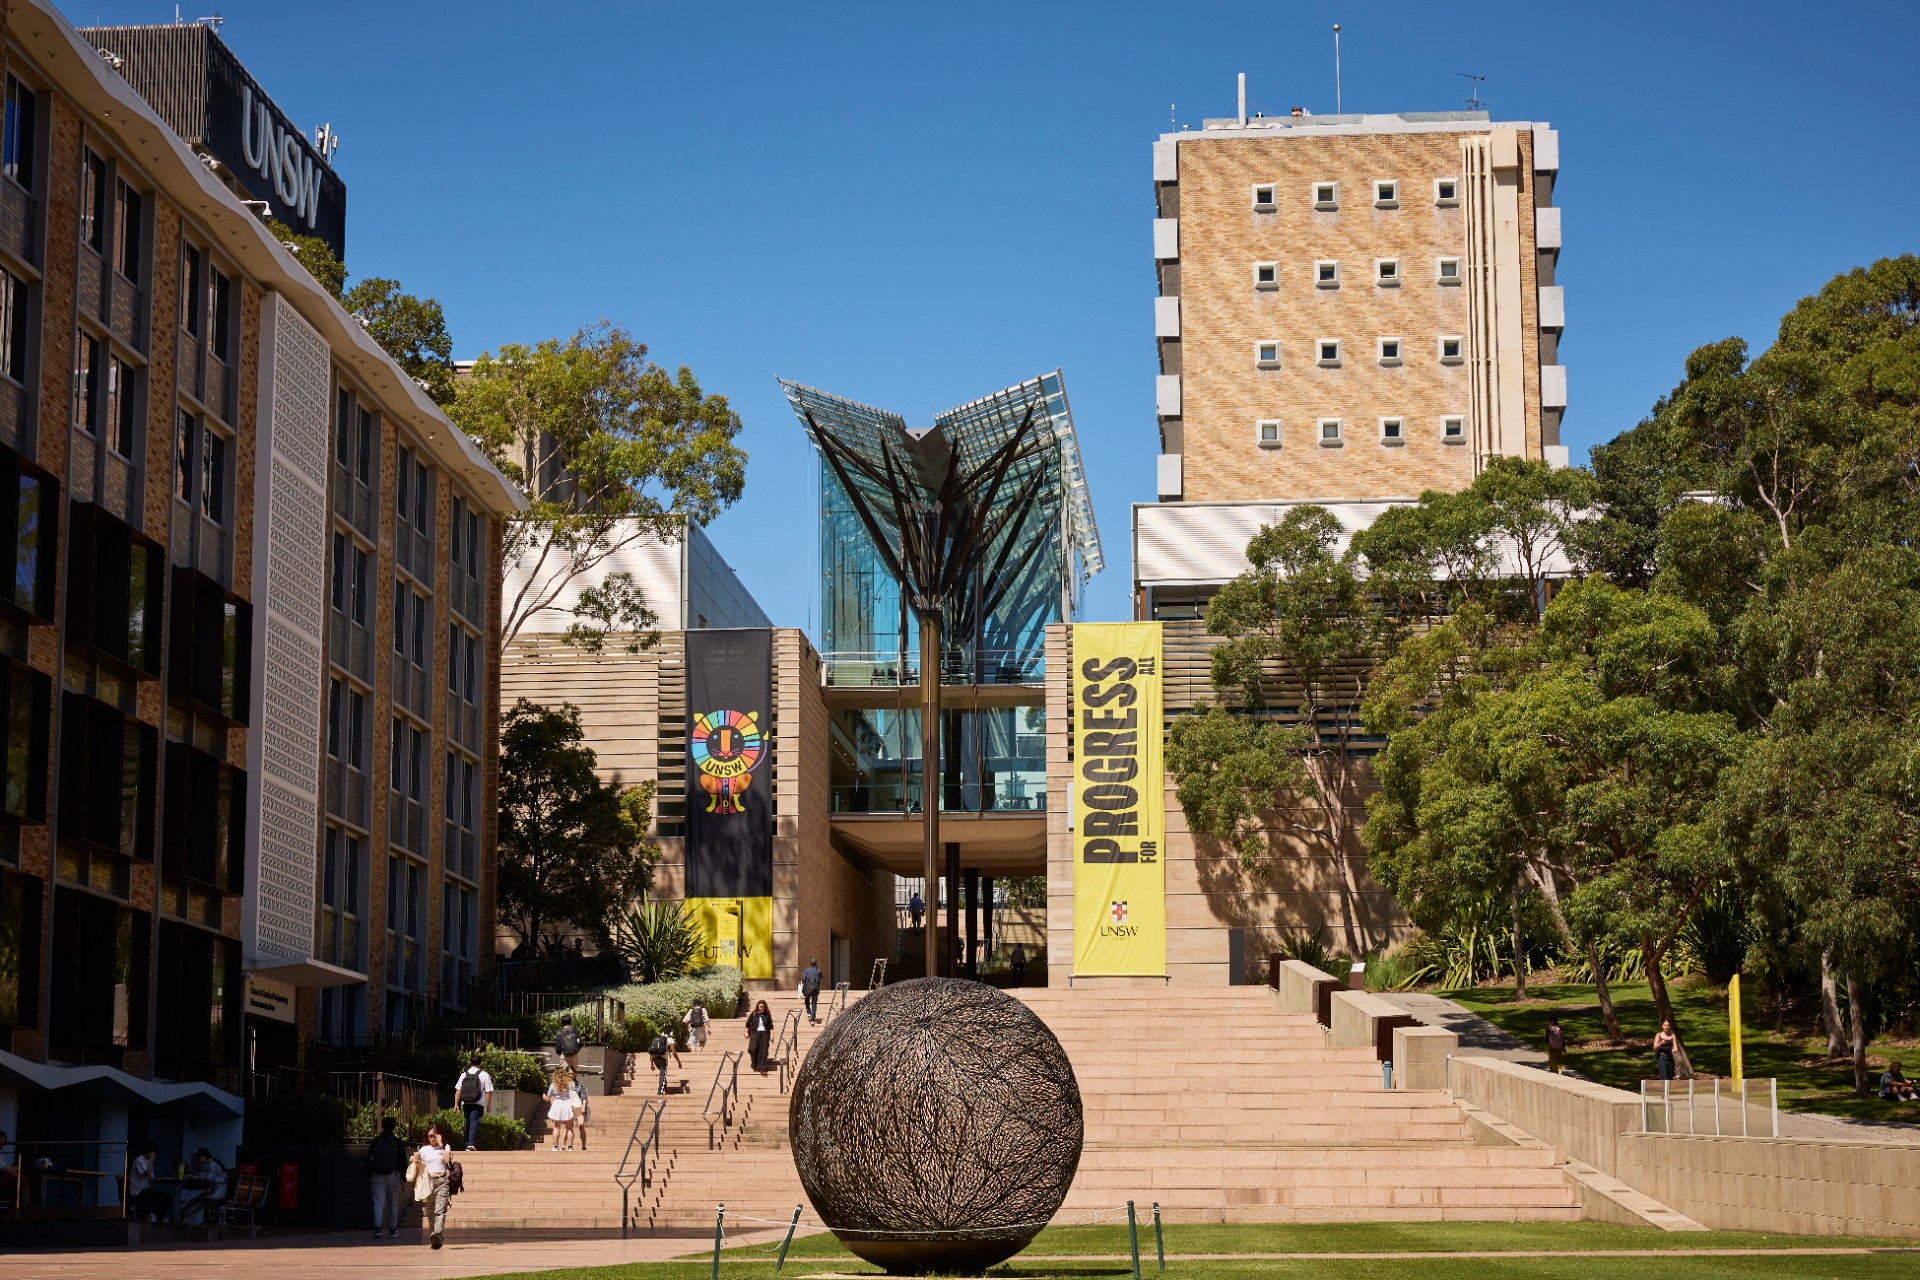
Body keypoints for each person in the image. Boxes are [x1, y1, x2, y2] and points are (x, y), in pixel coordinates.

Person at [365, 1115, 408, 1238]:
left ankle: (377, 1228)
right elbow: (402, 1161)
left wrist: (370, 1174)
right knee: (393, 1203)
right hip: (393, 1175)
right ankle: (392, 1229)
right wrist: (403, 1177)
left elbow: (369, 1159)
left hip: (377, 1176)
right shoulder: (397, 1142)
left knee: (378, 1202)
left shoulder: (376, 1141)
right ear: (394, 1127)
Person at [415, 1121, 453, 1248]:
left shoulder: (445, 1147)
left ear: (440, 1135)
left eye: (435, 1135)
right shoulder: (423, 1149)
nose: (433, 1138)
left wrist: (441, 1145)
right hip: (428, 1182)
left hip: (442, 1181)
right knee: (430, 1212)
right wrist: (416, 1161)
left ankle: (437, 1233)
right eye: (430, 1135)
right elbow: (419, 1166)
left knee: (440, 1211)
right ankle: (435, 1236)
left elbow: (447, 1160)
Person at [454, 1052, 493, 1152]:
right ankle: (471, 1144)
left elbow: (458, 1090)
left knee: (468, 1122)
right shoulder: (484, 1075)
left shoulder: (464, 1074)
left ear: (470, 1062)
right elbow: (488, 1091)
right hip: (478, 1102)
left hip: (466, 1102)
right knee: (474, 1121)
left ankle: (467, 1144)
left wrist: (456, 1104)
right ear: (480, 1063)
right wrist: (488, 1104)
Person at [180, 1147, 228, 1224]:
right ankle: (185, 1221)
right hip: (221, 1190)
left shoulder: (212, 1164)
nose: (199, 1161)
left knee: (195, 1201)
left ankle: (179, 1216)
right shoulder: (215, 1162)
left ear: (204, 1156)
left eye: (199, 1158)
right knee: (198, 1204)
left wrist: (196, 1177)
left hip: (217, 1190)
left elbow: (209, 1178)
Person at [127, 1142, 171, 1222]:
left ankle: (158, 1218)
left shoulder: (149, 1162)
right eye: (154, 1153)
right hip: (137, 1191)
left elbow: (151, 1179)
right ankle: (150, 1216)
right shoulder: (139, 1160)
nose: (155, 1155)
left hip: (146, 1190)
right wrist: (151, 1160)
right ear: (148, 1152)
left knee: (168, 1198)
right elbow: (148, 1173)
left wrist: (161, 1179)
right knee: (157, 1198)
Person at [545, 1067, 578, 1150]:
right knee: (569, 1128)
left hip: (557, 1104)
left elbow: (547, 1099)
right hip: (568, 1103)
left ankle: (555, 1147)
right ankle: (570, 1147)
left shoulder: (553, 1085)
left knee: (556, 1127)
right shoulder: (571, 1084)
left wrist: (543, 1096)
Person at [647, 1029, 682, 1094]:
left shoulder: (657, 1039)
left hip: (655, 1059)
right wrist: (679, 1062)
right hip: (663, 1059)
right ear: (671, 1033)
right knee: (663, 1074)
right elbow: (674, 1052)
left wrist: (651, 1063)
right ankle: (660, 1091)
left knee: (662, 1073)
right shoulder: (670, 1040)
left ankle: (664, 1090)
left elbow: (652, 1051)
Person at [745, 999, 774, 1073]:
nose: (761, 1008)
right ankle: (754, 1063)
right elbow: (748, 1024)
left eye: (762, 1007)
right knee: (752, 1048)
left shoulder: (767, 1015)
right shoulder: (754, 1014)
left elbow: (771, 1026)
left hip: (765, 1034)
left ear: (765, 1007)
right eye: (760, 1006)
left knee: (763, 1050)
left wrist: (772, 1036)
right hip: (755, 1033)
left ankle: (762, 1067)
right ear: (757, 1006)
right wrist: (746, 1032)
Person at [801, 958, 824, 1024]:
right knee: (814, 1004)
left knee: (806, 1000)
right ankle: (813, 1020)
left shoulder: (806, 971)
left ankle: (808, 1012)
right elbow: (821, 977)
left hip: (808, 988)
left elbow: (803, 979)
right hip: (815, 988)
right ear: (816, 964)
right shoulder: (818, 970)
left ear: (810, 964)